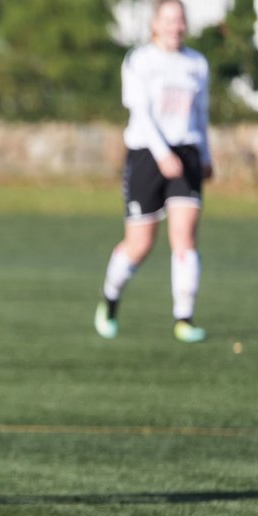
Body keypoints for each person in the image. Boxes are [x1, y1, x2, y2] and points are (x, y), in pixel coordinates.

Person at [94, 0, 212, 344]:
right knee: (140, 244)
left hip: (186, 152)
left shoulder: (196, 63)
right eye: (169, 20)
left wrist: (205, 153)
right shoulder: (139, 60)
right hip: (146, 154)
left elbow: (201, 114)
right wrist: (161, 154)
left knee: (185, 237)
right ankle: (110, 299)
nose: (176, 26)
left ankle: (184, 318)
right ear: (155, 24)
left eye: (181, 20)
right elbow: (141, 113)